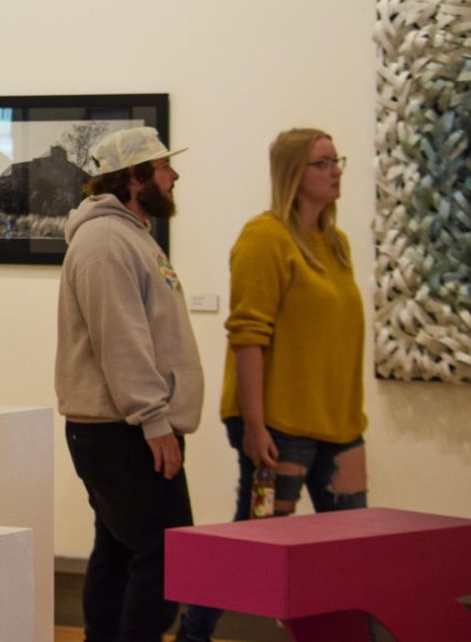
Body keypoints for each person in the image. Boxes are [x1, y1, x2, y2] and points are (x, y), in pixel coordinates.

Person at [175, 128, 367, 642]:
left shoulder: (335, 243)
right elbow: (248, 337)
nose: (336, 171)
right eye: (323, 163)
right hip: (279, 426)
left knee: (351, 548)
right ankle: (194, 632)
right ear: (293, 175)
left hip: (340, 427)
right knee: (255, 543)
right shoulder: (265, 238)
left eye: (336, 160)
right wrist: (255, 427)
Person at [55, 125, 203, 642]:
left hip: (124, 427)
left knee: (120, 549)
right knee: (164, 553)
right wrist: (153, 419)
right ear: (135, 177)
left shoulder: (130, 237)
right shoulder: (104, 242)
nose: (174, 175)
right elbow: (121, 342)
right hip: (121, 429)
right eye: (164, 167)